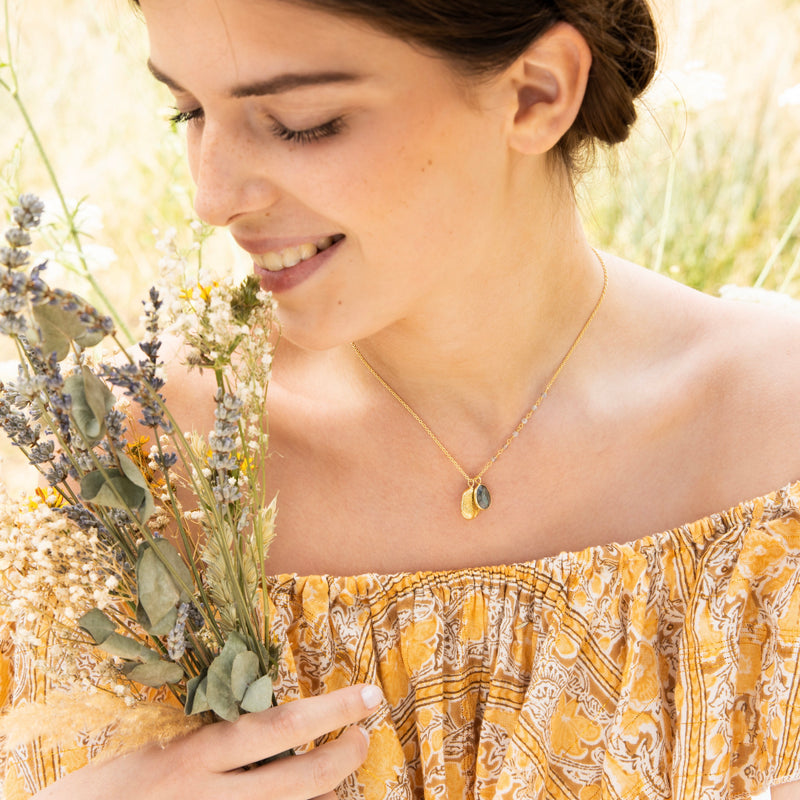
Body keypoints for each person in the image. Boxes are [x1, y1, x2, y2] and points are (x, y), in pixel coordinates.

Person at [4, 0, 800, 797]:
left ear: (537, 92)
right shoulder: (138, 462)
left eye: (300, 122)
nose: (213, 196)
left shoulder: (778, 444)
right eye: (188, 110)